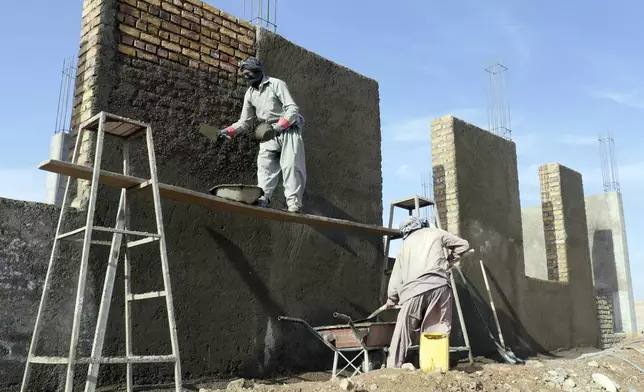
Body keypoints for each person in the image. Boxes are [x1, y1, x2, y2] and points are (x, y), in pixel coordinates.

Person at [219, 56, 306, 213]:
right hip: (267, 131)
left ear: (258, 72)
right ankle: (263, 198)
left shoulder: (276, 84)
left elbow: (292, 108)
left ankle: (293, 203)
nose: (247, 77)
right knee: (265, 166)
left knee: (291, 165)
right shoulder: (250, 94)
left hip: (288, 128)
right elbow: (244, 122)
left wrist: (279, 127)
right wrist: (227, 131)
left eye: (249, 73)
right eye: (244, 74)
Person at [385, 216, 470, 368]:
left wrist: (392, 297)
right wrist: (448, 261)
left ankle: (393, 367)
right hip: (439, 287)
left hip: (413, 291)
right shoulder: (436, 233)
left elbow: (396, 275)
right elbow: (463, 245)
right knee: (436, 329)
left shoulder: (405, 246)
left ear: (405, 232)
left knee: (402, 331)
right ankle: (434, 367)